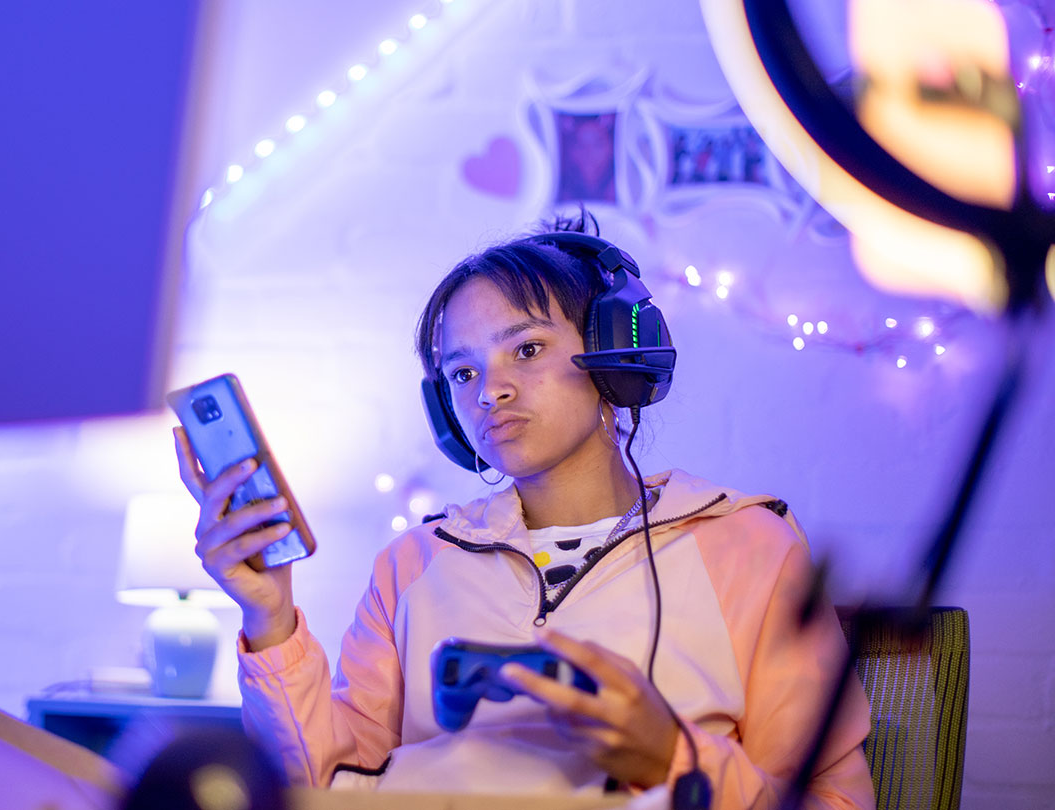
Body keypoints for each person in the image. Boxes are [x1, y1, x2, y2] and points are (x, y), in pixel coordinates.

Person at [173, 214, 874, 808]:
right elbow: (320, 787)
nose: (490, 392)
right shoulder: (412, 564)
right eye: (464, 372)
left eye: (527, 349)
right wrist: (270, 621)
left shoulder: (750, 547)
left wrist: (672, 761)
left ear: (614, 356)